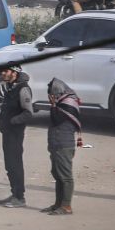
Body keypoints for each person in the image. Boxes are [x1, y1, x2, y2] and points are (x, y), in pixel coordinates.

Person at [0, 65, 34, 209]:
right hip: (7, 133)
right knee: (9, 165)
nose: (3, 73)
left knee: (15, 165)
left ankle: (20, 197)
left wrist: (12, 121)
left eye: (6, 71)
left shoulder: (23, 89)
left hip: (15, 134)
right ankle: (14, 194)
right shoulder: (10, 87)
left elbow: (28, 113)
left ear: (14, 73)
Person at [44, 79, 81, 216]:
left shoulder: (68, 104)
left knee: (65, 177)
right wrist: (54, 105)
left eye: (51, 95)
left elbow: (56, 120)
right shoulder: (61, 104)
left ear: (56, 93)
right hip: (56, 144)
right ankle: (58, 204)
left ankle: (66, 206)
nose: (50, 97)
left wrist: (53, 106)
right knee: (58, 175)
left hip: (64, 145)